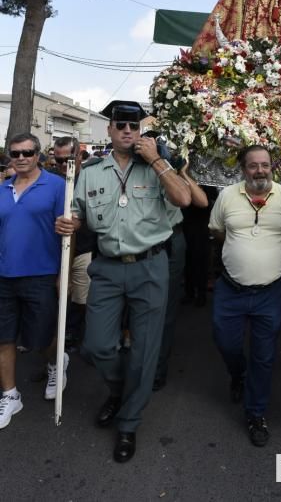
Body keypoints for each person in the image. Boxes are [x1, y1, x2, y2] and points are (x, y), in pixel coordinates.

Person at [56, 101, 191, 463]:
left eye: (134, 126)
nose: (127, 131)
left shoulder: (158, 166)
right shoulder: (92, 170)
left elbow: (184, 199)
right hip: (108, 267)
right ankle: (119, 390)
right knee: (97, 345)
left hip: (150, 266)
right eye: (121, 125)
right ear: (110, 130)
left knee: (145, 349)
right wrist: (72, 223)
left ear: (141, 131)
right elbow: (80, 212)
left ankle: (129, 422)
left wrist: (158, 160)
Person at [209, 145, 281, 447]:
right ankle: (238, 374)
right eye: (253, 166)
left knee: (263, 357)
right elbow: (217, 231)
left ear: (272, 167)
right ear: (243, 169)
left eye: (265, 165)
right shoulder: (226, 195)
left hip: (270, 293)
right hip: (231, 290)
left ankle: (255, 413)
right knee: (226, 342)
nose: (260, 171)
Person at [0, 133, 66, 429]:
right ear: (9, 157)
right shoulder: (2, 189)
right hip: (3, 276)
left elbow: (67, 234)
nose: (22, 157)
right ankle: (11, 395)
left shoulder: (56, 185)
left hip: (40, 274)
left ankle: (56, 362)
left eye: (28, 152)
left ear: (39, 154)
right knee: (4, 337)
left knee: (41, 338)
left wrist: (63, 275)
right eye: (16, 153)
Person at [153, 162, 209, 391]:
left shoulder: (174, 175)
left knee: (165, 308)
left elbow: (201, 202)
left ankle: (157, 367)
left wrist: (182, 173)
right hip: (142, 243)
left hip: (170, 241)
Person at [53, 136, 97, 347]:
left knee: (82, 296)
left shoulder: (92, 177)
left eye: (68, 159)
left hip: (84, 248)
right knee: (60, 294)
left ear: (79, 156)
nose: (63, 165)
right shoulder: (52, 179)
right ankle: (63, 334)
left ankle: (84, 335)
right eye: (58, 160)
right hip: (56, 249)